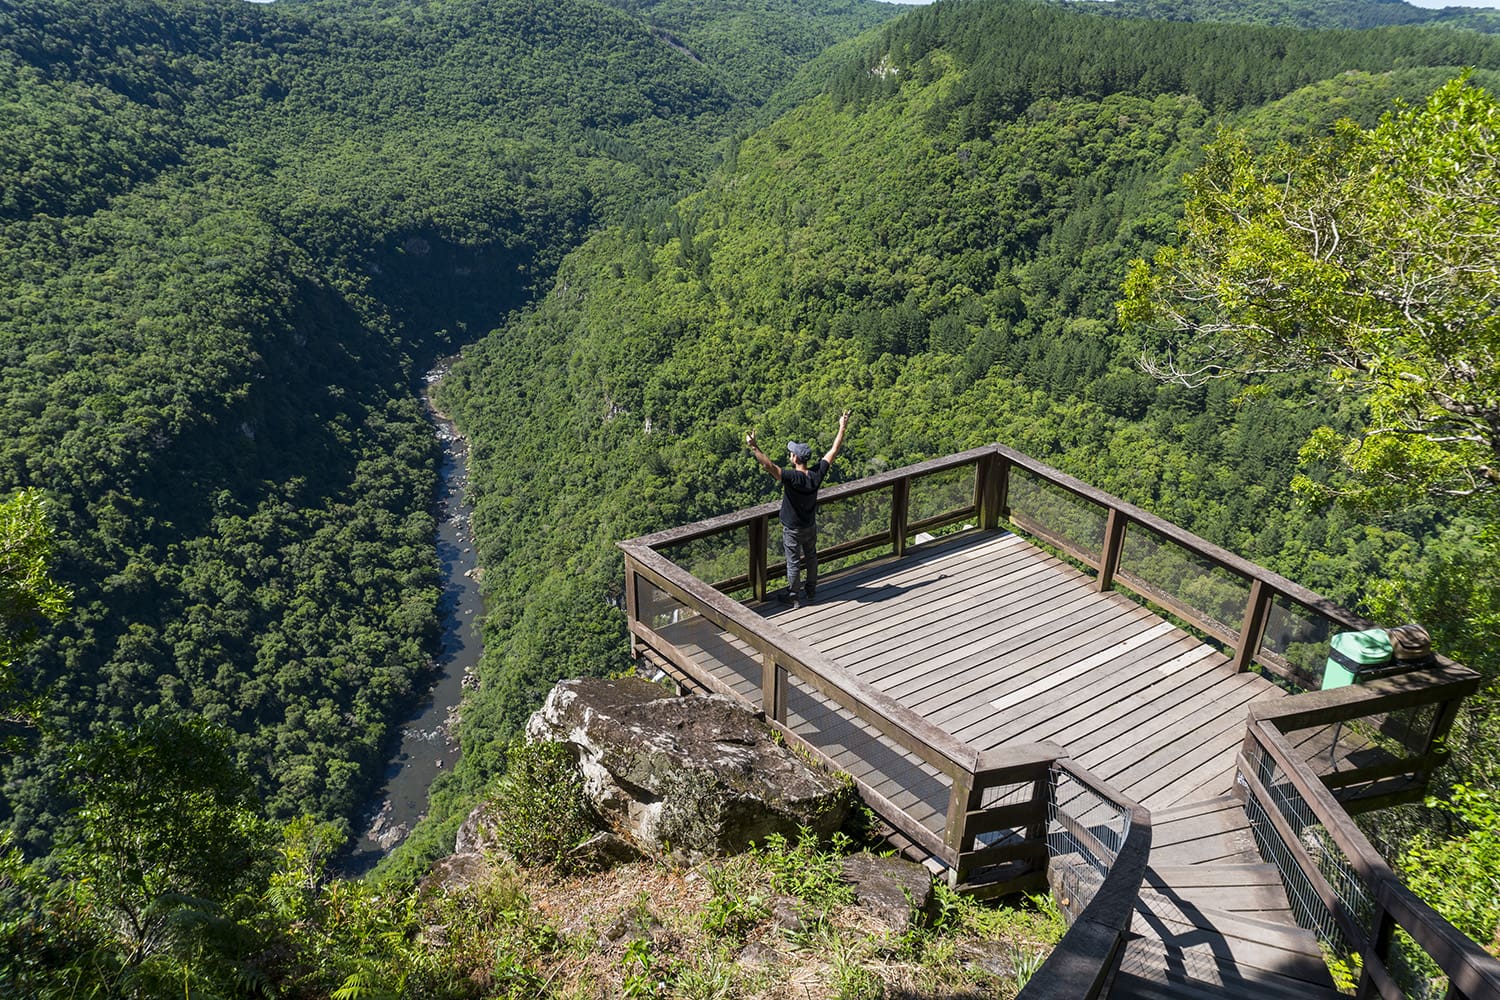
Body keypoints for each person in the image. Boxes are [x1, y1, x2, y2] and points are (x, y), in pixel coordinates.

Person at [746, 411, 850, 607]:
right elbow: (833, 450)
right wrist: (842, 427)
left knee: (793, 562)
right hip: (809, 525)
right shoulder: (816, 474)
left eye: (791, 453)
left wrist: (754, 447)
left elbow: (769, 466)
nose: (789, 455)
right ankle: (811, 589)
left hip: (793, 528)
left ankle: (793, 594)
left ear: (795, 459)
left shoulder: (793, 478)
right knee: (811, 556)